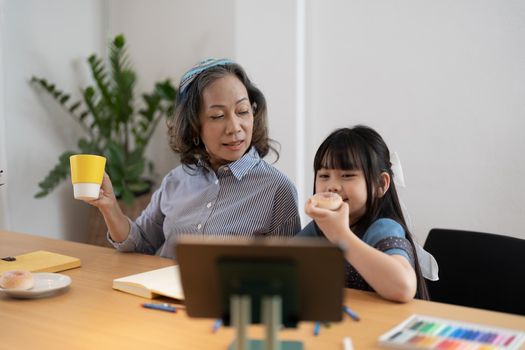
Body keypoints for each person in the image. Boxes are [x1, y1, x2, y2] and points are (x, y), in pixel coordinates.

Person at [86, 58, 301, 258]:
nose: (235, 127)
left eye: (243, 111)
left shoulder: (278, 191)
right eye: (218, 116)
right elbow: (140, 242)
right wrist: (109, 206)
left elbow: (289, 274)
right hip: (160, 297)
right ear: (194, 127)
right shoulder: (175, 181)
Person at [298, 125, 431, 302]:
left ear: (381, 184)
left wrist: (340, 235)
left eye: (347, 175)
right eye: (324, 176)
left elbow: (404, 287)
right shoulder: (323, 225)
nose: (332, 186)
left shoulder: (383, 227)